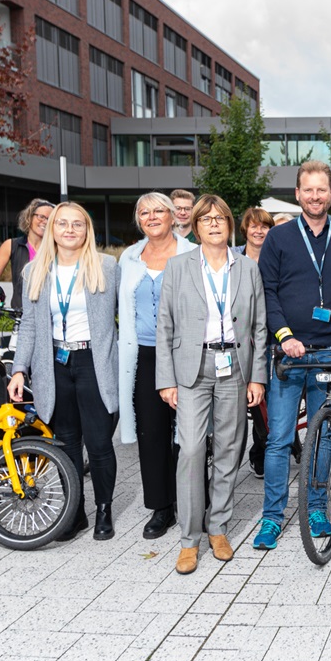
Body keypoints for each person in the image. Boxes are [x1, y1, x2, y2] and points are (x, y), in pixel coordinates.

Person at [156, 195, 266, 573]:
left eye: (221, 218)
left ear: (229, 225)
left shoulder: (248, 268)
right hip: (191, 369)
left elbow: (260, 327)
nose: (214, 224)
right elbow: (165, 327)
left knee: (229, 449)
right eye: (207, 219)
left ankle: (217, 526)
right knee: (189, 449)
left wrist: (257, 376)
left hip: (234, 366)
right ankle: (190, 539)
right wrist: (165, 380)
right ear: (197, 226)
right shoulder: (178, 266)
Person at [257, 160, 331, 549]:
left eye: (323, 190)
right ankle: (271, 518)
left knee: (324, 437)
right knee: (279, 439)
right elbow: (267, 292)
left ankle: (316, 508)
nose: (316, 196)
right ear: (298, 194)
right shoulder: (279, 238)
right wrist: (284, 336)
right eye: (309, 190)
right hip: (289, 355)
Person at [7, 203, 120, 540]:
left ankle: (103, 510)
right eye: (63, 224)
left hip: (93, 363)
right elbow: (28, 325)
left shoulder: (106, 266)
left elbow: (124, 316)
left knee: (99, 443)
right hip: (54, 363)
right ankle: (75, 513)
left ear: (88, 230)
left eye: (78, 224)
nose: (70, 230)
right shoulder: (34, 271)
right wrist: (18, 369)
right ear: (51, 228)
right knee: (67, 443)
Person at [116, 193, 193, 539]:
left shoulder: (192, 253)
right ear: (138, 220)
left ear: (173, 215)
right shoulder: (130, 258)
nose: (152, 216)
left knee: (190, 434)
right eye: (144, 212)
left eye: (158, 210)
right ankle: (161, 508)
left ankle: (192, 503)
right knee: (153, 433)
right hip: (145, 355)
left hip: (185, 353)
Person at [239, 205, 275, 476]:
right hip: (240, 336)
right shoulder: (233, 257)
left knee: (268, 395)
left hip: (270, 333)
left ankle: (262, 448)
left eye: (264, 225)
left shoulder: (276, 257)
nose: (259, 230)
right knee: (248, 396)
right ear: (245, 229)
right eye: (254, 225)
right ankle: (260, 447)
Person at [0, 198, 54, 313]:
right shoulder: (11, 245)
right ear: (29, 217)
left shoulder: (58, 249)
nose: (45, 222)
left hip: (51, 314)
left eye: (50, 219)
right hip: (21, 315)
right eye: (41, 217)